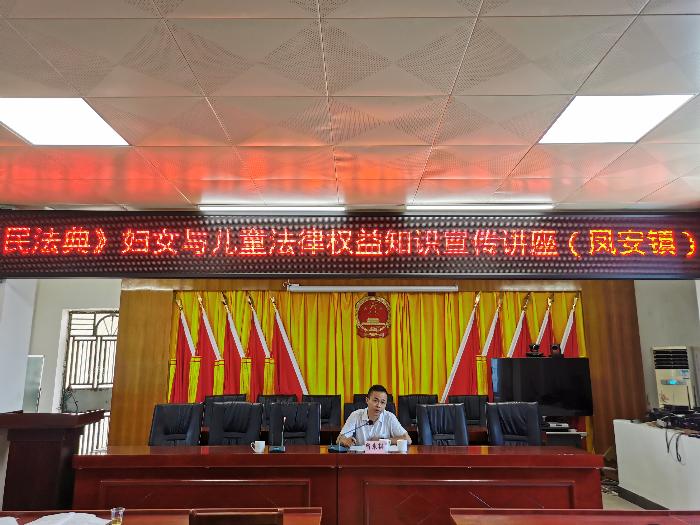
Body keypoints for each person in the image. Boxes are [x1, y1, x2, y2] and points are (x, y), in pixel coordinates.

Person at [336, 384, 412, 447]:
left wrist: (382, 441)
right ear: (367, 400)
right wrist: (345, 441)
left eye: (382, 402)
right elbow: (339, 439)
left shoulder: (389, 417)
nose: (379, 405)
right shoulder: (355, 415)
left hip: (384, 458)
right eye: (375, 401)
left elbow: (408, 440)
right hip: (361, 457)